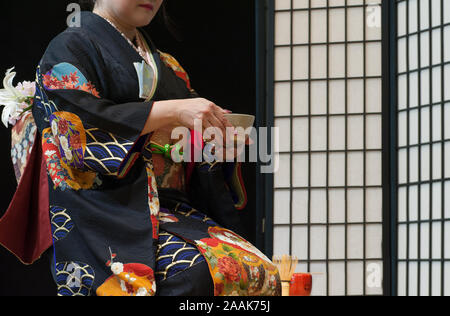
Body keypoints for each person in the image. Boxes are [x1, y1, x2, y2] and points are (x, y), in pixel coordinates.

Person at [0, 0, 281, 296]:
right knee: (195, 275)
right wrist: (171, 112)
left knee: (260, 270)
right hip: (107, 211)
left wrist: (215, 144)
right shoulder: (71, 48)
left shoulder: (169, 67)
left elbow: (187, 150)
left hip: (171, 208)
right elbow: (76, 130)